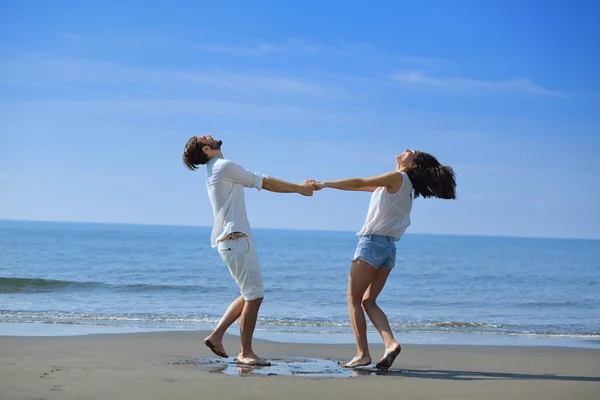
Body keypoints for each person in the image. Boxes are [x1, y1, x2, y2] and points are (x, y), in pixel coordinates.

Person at [308, 149, 456, 371]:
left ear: (414, 165)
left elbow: (359, 182)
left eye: (411, 152)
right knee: (368, 301)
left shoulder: (397, 178)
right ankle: (390, 343)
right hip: (388, 249)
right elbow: (364, 187)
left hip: (372, 244)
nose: (406, 150)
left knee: (353, 299)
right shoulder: (404, 187)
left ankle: (362, 355)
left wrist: (324, 183)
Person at [183, 135, 314, 366]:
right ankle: (245, 352)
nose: (212, 136)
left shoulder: (217, 169)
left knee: (248, 293)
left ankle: (216, 336)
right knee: (255, 296)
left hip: (231, 241)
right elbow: (264, 182)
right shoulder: (224, 166)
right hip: (236, 239)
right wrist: (300, 189)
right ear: (206, 149)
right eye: (207, 138)